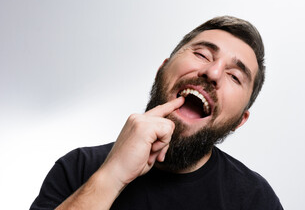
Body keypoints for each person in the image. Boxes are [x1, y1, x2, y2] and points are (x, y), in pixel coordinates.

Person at [31, 16, 283, 210]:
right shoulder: (77, 168)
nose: (213, 72)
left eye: (234, 76)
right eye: (201, 54)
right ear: (162, 71)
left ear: (239, 121)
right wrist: (113, 174)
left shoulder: (254, 198)